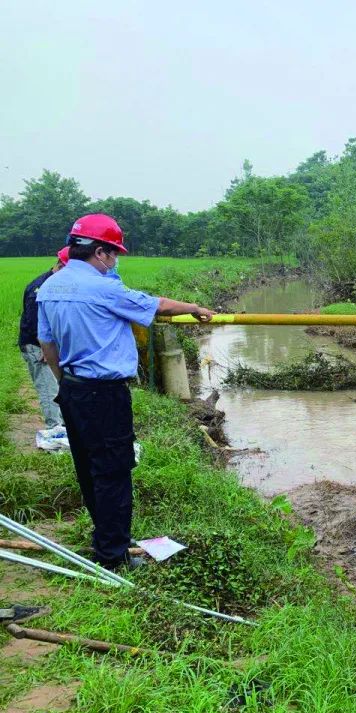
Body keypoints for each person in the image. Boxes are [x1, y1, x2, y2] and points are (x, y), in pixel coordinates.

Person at [36, 214, 215, 570]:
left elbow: (47, 344)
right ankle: (113, 556)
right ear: (100, 252)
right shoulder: (103, 288)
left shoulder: (50, 287)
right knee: (114, 472)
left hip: (72, 390)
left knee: (88, 468)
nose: (115, 261)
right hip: (104, 394)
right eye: (114, 254)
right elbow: (157, 305)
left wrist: (64, 383)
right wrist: (194, 308)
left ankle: (104, 536)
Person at [18, 246, 69, 433]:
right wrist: (45, 350)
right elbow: (34, 323)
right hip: (36, 345)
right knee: (49, 388)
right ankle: (54, 430)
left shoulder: (59, 285)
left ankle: (65, 426)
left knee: (61, 386)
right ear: (62, 265)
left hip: (51, 345)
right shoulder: (40, 287)